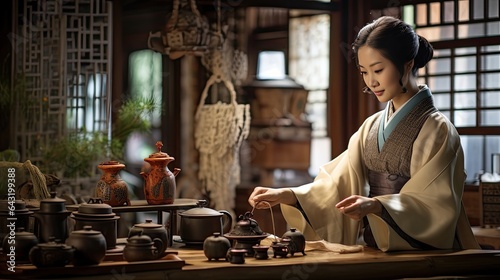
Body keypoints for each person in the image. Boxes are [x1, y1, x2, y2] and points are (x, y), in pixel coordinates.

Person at [248, 16, 480, 252]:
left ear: (408, 64)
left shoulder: (438, 130)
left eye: (378, 70)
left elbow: (435, 204)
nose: (371, 82)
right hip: (376, 248)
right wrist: (289, 195)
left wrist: (378, 206)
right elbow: (336, 184)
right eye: (364, 72)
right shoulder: (371, 126)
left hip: (421, 252)